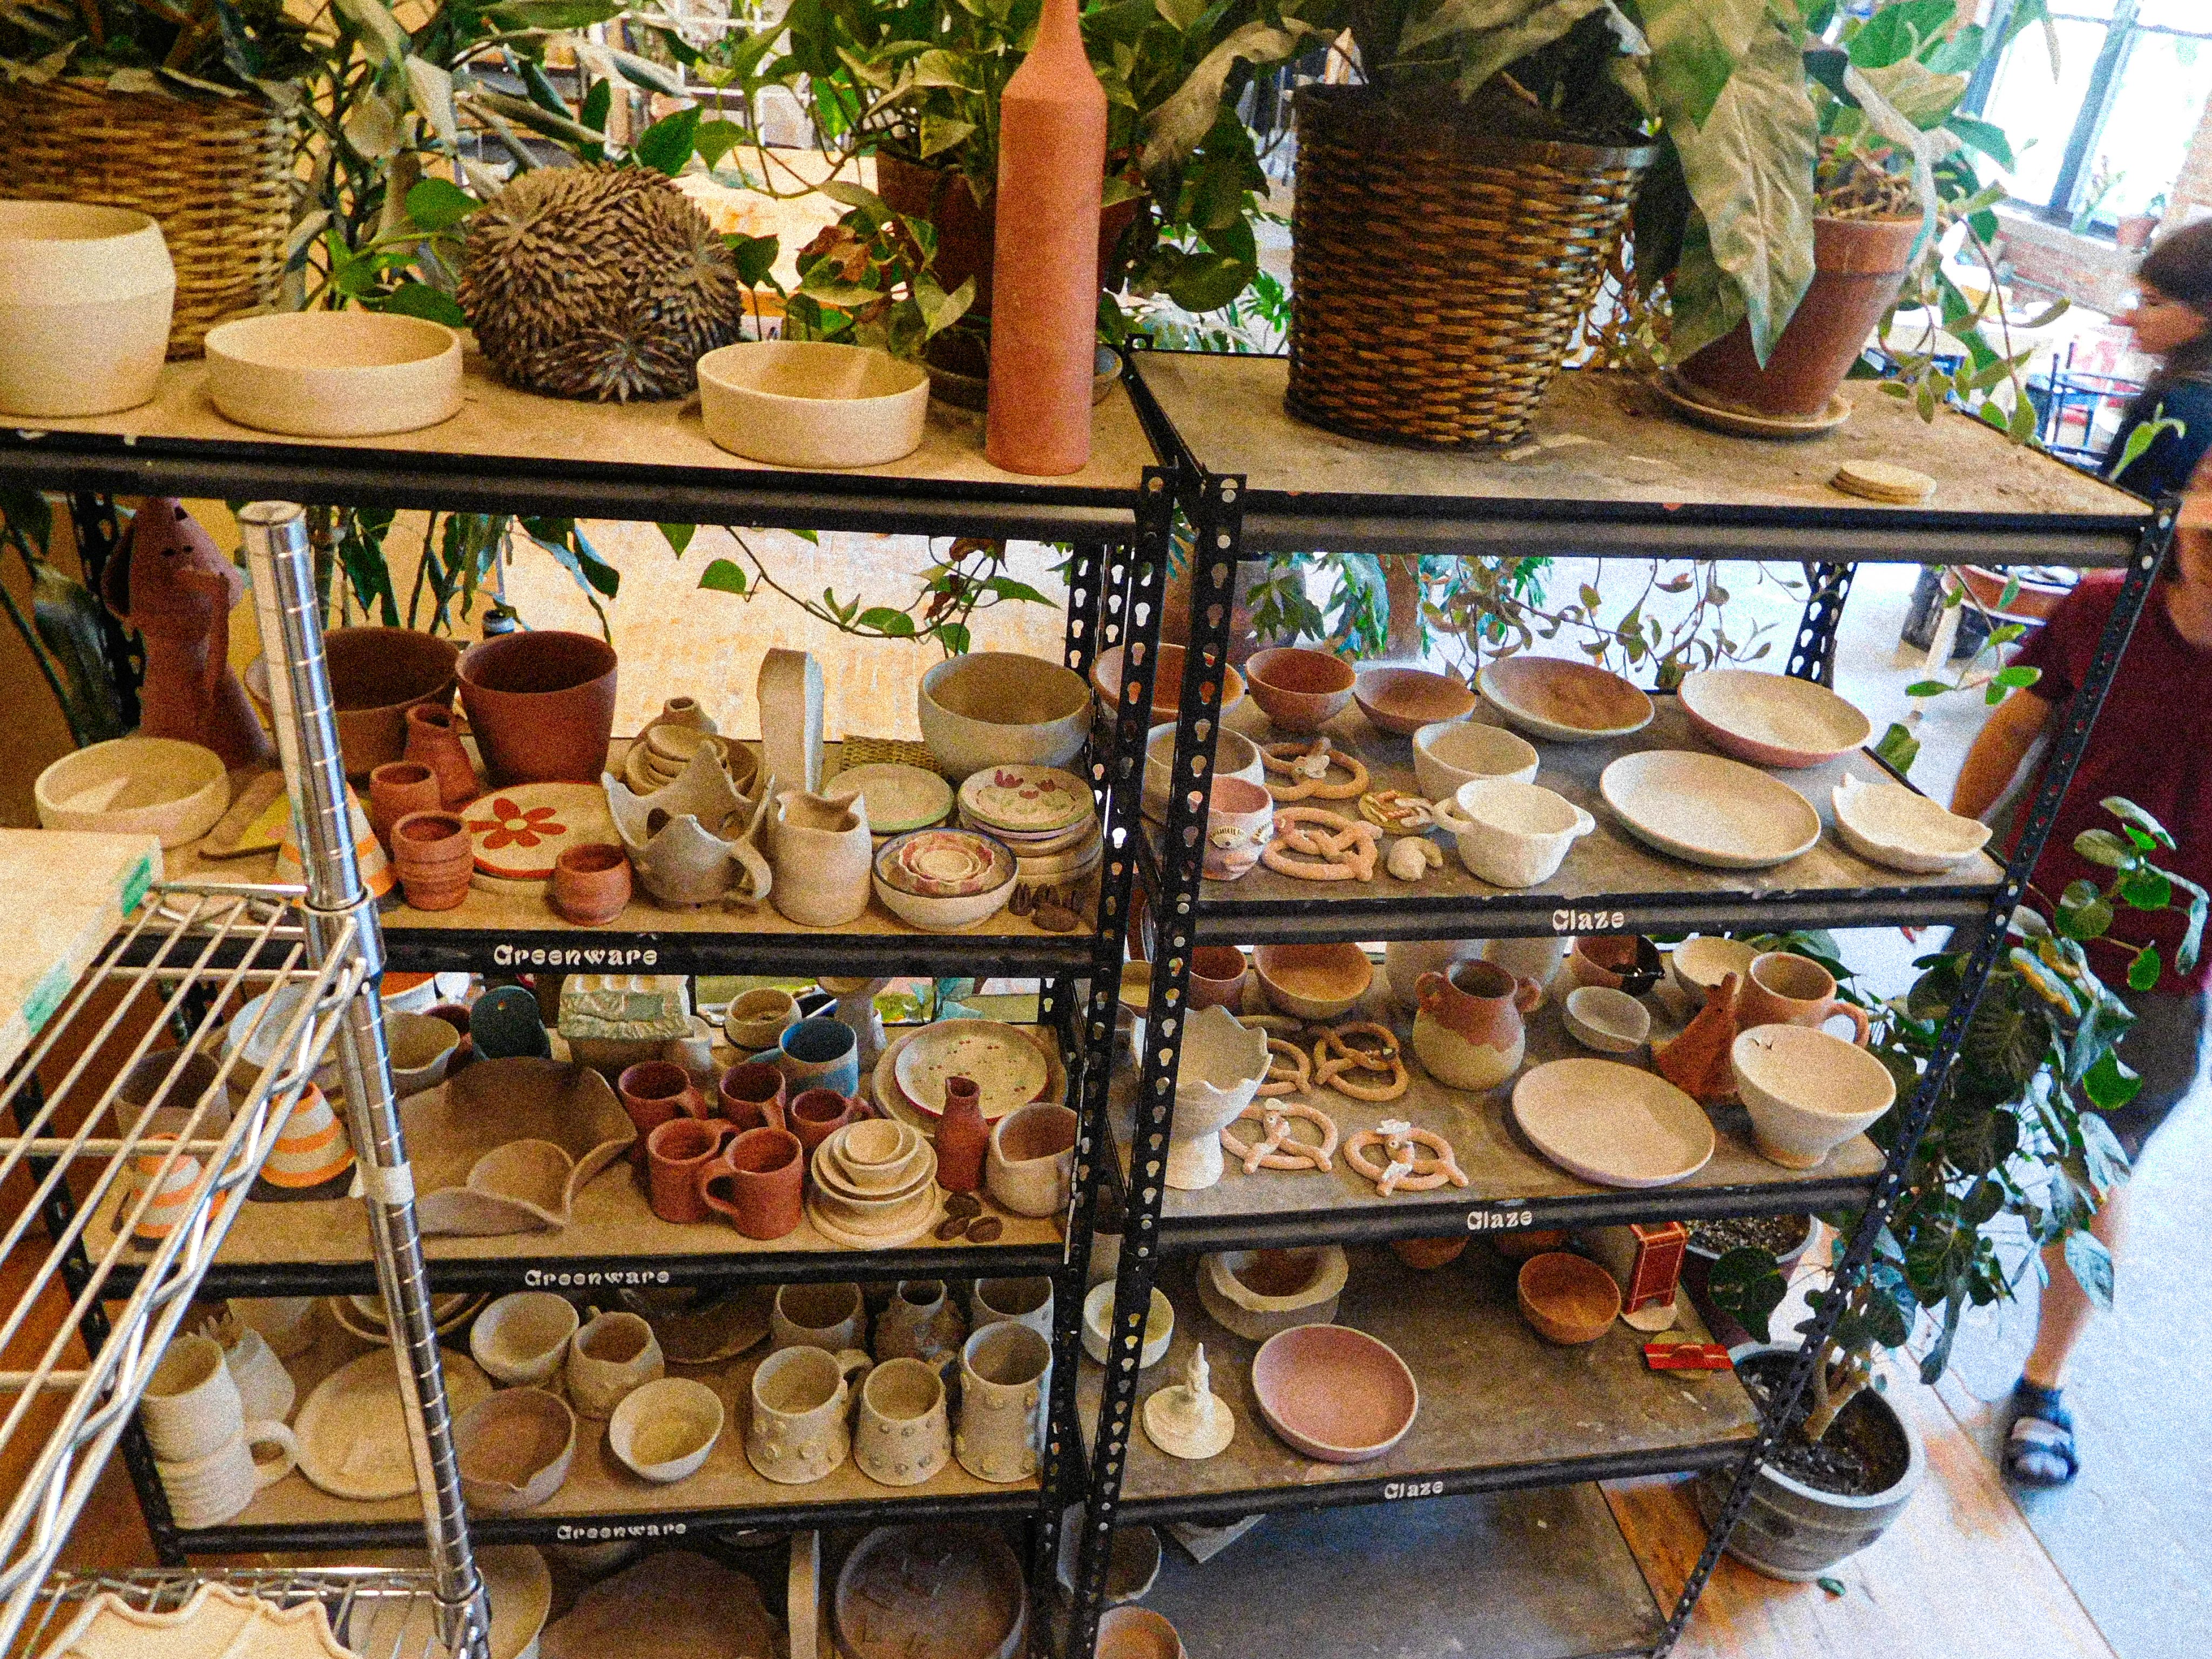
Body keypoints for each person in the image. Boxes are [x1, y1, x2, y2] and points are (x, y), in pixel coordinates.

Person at [1946, 469, 2212, 1487]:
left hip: (2160, 981)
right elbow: (2014, 728)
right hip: (2026, 920)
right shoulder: (2104, 607)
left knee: (2093, 1174)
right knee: (1942, 1112)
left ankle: (2044, 1381)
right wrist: (1950, 852)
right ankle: (1847, 1309)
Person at [2106, 218, 2212, 501]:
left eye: (2153, 303)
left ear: (2206, 312)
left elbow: (2115, 509)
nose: (2130, 318)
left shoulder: (2178, 406)